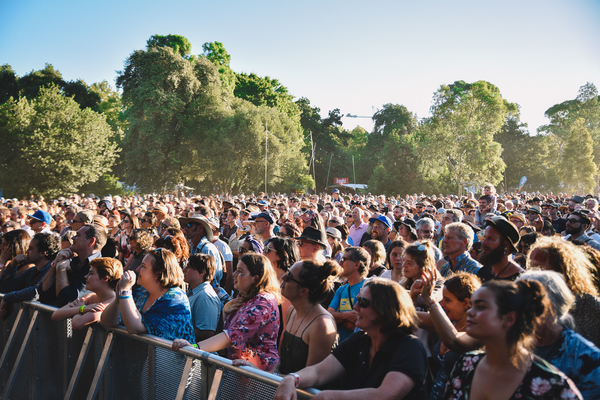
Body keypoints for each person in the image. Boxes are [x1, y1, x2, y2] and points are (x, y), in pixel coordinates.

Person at [274, 278, 428, 400]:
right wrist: (292, 379)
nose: (355, 307)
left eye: (363, 302)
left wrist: (332, 396)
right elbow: (319, 372)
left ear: (385, 309)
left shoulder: (409, 347)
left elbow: (386, 394)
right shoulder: (361, 340)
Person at [443, 279, 582, 399]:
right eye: (471, 305)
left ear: (509, 318)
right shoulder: (466, 364)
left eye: (480, 307)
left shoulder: (553, 386)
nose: (469, 312)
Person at [172, 254, 281, 371]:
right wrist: (225, 313)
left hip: (259, 373)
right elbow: (228, 330)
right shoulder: (245, 297)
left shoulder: (263, 302)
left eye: (240, 272)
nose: (234, 274)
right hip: (241, 369)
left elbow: (232, 336)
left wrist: (194, 347)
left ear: (255, 277)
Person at [101, 248, 195, 343]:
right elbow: (107, 321)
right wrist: (118, 298)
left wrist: (125, 291)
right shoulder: (143, 293)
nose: (137, 269)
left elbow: (134, 327)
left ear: (157, 273)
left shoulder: (175, 298)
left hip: (172, 357)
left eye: (143, 266)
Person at [418, 273, 481, 400]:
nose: (442, 304)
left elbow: (454, 340)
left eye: (447, 300)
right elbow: (409, 316)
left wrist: (429, 300)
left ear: (466, 303)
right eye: (441, 299)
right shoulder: (448, 322)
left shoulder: (478, 333)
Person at [52, 257, 123, 330]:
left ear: (105, 278)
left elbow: (77, 324)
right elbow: (56, 315)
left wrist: (80, 309)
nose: (86, 276)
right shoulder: (90, 297)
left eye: (91, 273)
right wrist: (82, 308)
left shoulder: (109, 304)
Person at [328, 246, 370, 342]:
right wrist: (347, 315)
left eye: (344, 259)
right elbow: (329, 315)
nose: (340, 263)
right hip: (342, 346)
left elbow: (362, 324)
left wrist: (338, 318)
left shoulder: (368, 288)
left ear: (356, 265)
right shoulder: (341, 289)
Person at [183, 254, 221, 341]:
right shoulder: (194, 293)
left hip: (193, 351)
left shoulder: (205, 297)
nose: (184, 269)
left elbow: (206, 332)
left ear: (201, 272)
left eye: (189, 267)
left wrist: (180, 336)